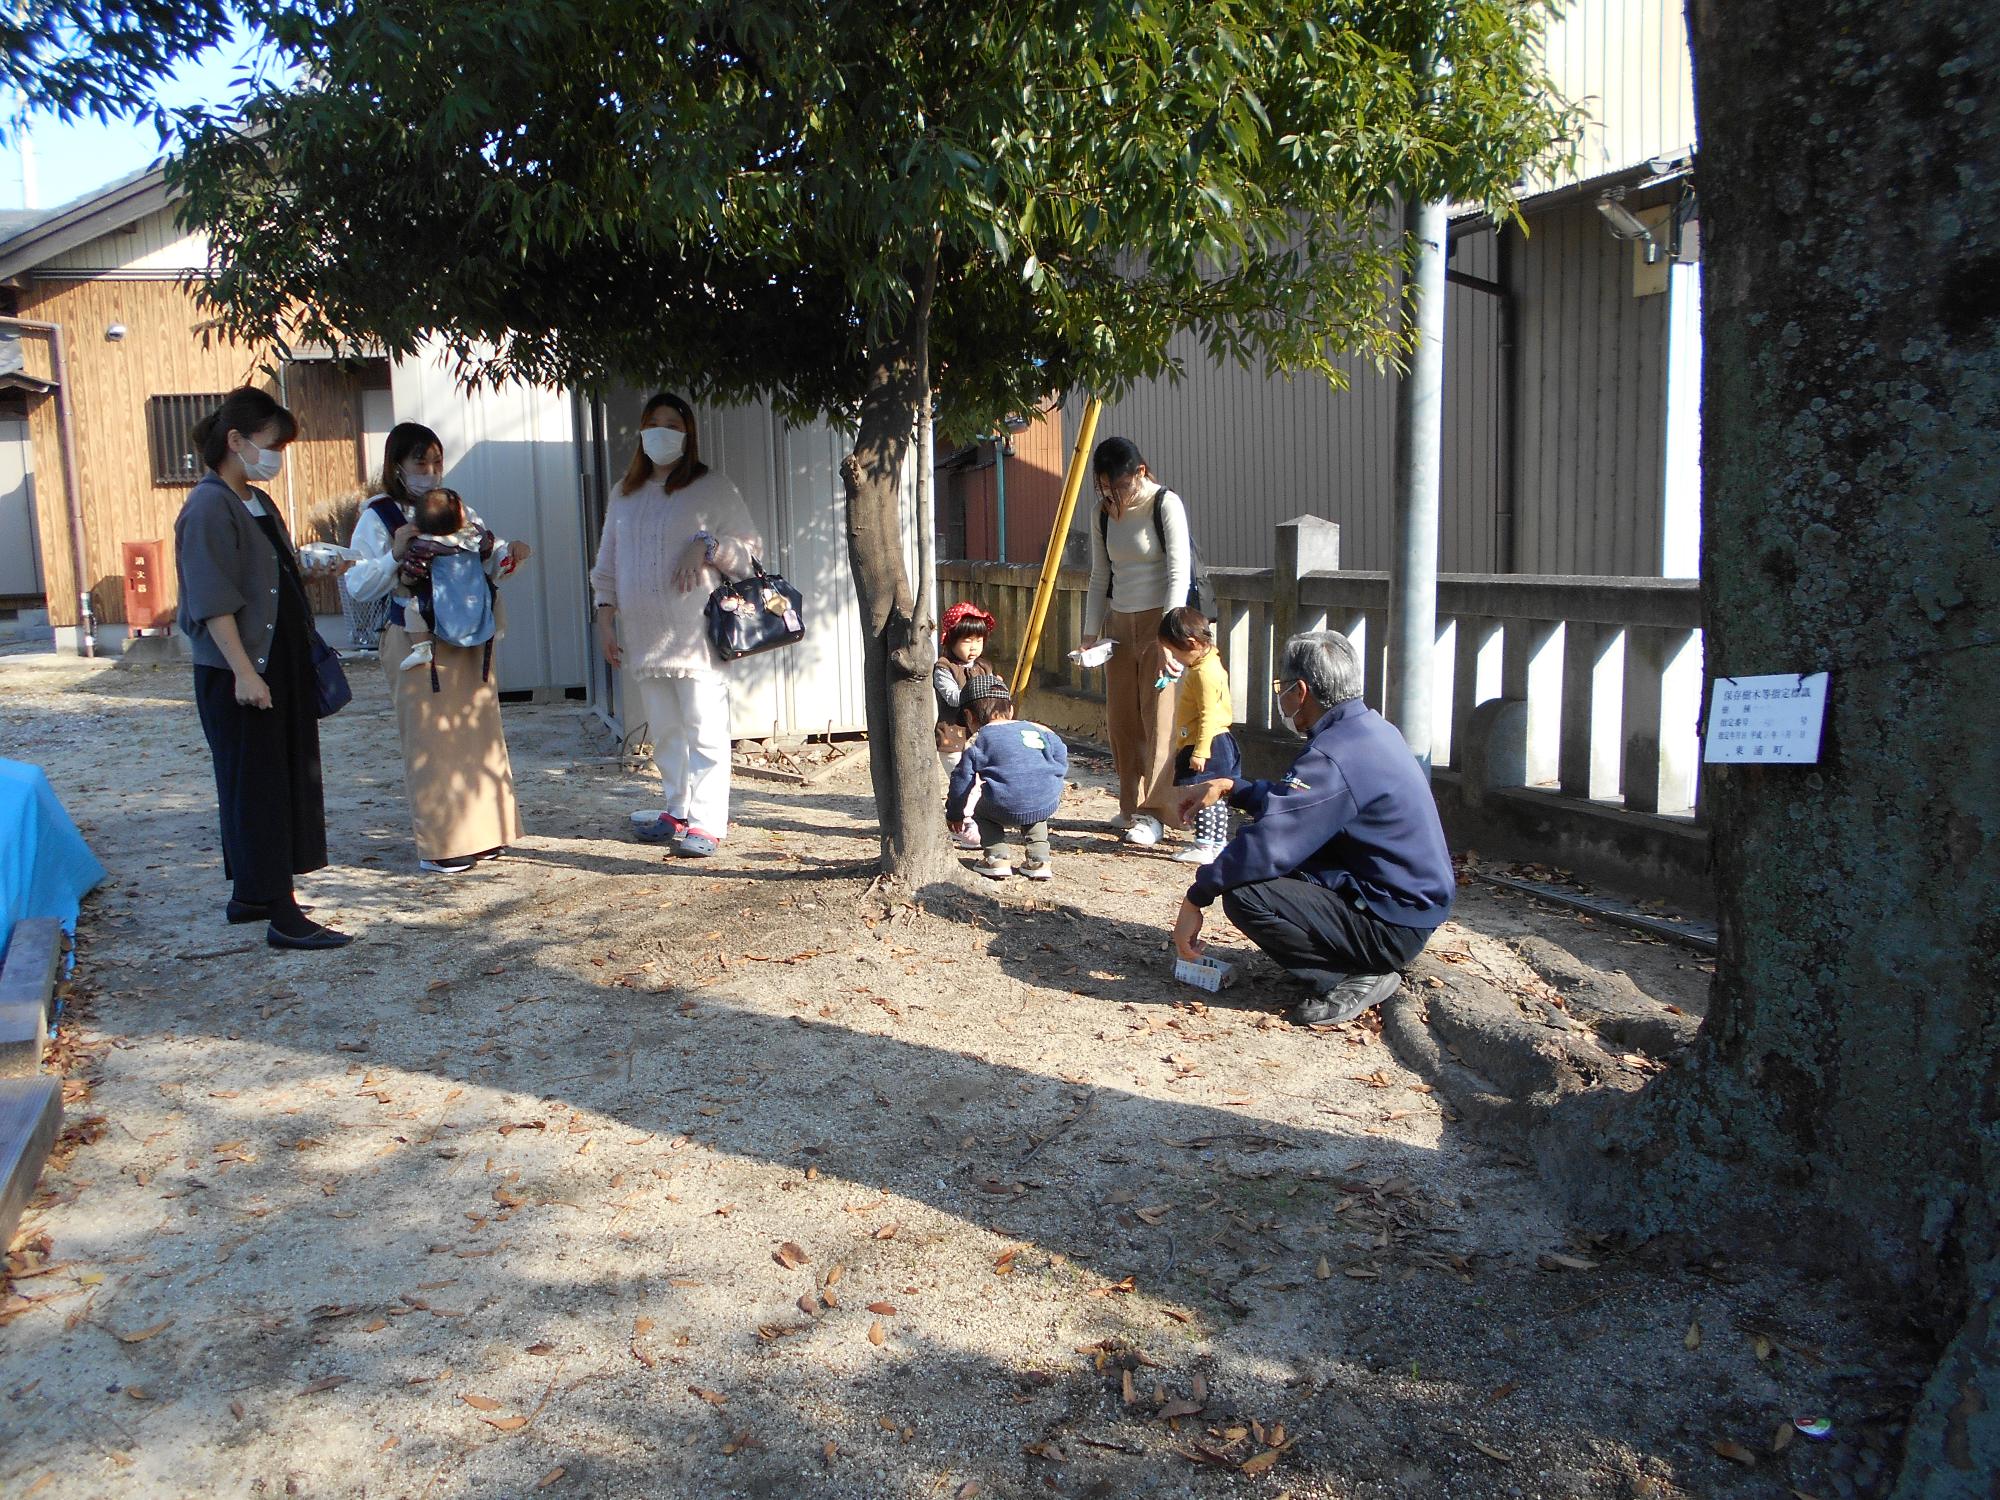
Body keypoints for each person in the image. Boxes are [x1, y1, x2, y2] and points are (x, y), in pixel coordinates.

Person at [1172, 631, 1455, 1027]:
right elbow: (1303, 806)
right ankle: (1356, 958)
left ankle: (1350, 977)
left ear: (1299, 690)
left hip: (1391, 923)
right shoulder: (1370, 730)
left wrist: (1195, 899)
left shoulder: (1333, 754)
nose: (1281, 697)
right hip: (1405, 905)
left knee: (1246, 894)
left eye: (1281, 687)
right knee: (1265, 867)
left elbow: (1271, 842)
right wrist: (1236, 789)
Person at [173, 386, 354, 951]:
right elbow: (212, 601)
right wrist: (244, 674)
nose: (277, 457)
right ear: (236, 440)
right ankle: (282, 912)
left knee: (277, 778)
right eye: (272, 444)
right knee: (259, 787)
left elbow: (267, 574)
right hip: (240, 669)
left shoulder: (254, 500)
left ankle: (251, 893)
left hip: (277, 662)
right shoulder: (206, 507)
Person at [345, 423, 531, 874]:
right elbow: (357, 583)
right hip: (416, 638)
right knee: (431, 738)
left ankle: (487, 834)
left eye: (435, 462)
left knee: (479, 734)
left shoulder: (457, 508)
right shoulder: (378, 515)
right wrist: (395, 553)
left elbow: (491, 559)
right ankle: (443, 844)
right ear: (397, 467)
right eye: (419, 463)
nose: (429, 471)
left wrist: (503, 554)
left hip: (469, 635)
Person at [590, 393, 761, 858]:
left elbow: (750, 555)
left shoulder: (712, 487)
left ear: (687, 435)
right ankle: (678, 808)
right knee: (665, 731)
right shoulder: (623, 494)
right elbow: (607, 565)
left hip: (698, 638)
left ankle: (707, 823)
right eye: (653, 422)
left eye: (672, 424)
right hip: (644, 640)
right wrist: (605, 621)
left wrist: (706, 544)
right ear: (642, 431)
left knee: (704, 729)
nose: (661, 432)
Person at [1079, 437, 1191, 848]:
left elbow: (1180, 572)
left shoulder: (1165, 504)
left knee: (1159, 717)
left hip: (1162, 621)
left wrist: (1168, 636)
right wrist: (1090, 633)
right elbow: (1098, 575)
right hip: (1120, 626)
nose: (1111, 495)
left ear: (1140, 473)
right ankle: (1130, 805)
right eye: (1103, 488)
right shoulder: (1102, 513)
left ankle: (1157, 813)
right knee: (1122, 720)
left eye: (1118, 487)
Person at [946, 674, 1068, 882]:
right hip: (1045, 798)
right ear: (1010, 710)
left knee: (982, 813)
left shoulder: (980, 740)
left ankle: (997, 858)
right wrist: (1053, 777)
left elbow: (961, 780)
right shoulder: (1037, 729)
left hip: (1003, 804)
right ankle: (1039, 860)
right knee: (1036, 812)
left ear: (969, 716)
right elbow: (1060, 750)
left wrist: (955, 813)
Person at [1159, 606, 1238, 866]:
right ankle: (1217, 843)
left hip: (1206, 741)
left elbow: (1208, 715)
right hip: (1218, 739)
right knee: (1216, 797)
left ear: (1192, 644)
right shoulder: (1210, 661)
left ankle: (1204, 843)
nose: (1176, 658)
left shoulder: (1204, 674)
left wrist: (1200, 751)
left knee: (1203, 793)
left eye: (1176, 652)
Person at [393, 486, 493, 676]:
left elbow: (414, 571)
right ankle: (499, 627)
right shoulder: (474, 535)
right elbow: (487, 549)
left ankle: (421, 647)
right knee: (493, 596)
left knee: (410, 607)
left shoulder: (426, 545)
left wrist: (405, 580)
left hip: (444, 599)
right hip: (473, 596)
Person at [934, 601, 996, 849]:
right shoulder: (943, 667)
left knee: (982, 780)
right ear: (950, 640)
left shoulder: (985, 667)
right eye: (967, 641)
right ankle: (963, 824)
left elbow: (995, 697)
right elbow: (952, 697)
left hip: (980, 733)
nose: (974, 648)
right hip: (951, 733)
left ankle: (974, 821)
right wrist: (983, 691)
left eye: (979, 641)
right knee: (963, 781)